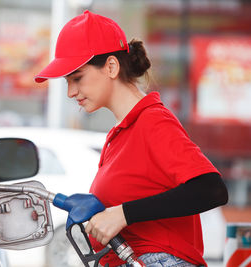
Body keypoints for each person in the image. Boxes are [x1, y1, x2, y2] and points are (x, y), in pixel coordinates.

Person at [34, 10, 228, 267]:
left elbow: (211, 189)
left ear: (111, 67)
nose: (71, 92)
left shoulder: (152, 121)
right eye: (68, 82)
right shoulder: (122, 133)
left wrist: (123, 214)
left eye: (77, 78)